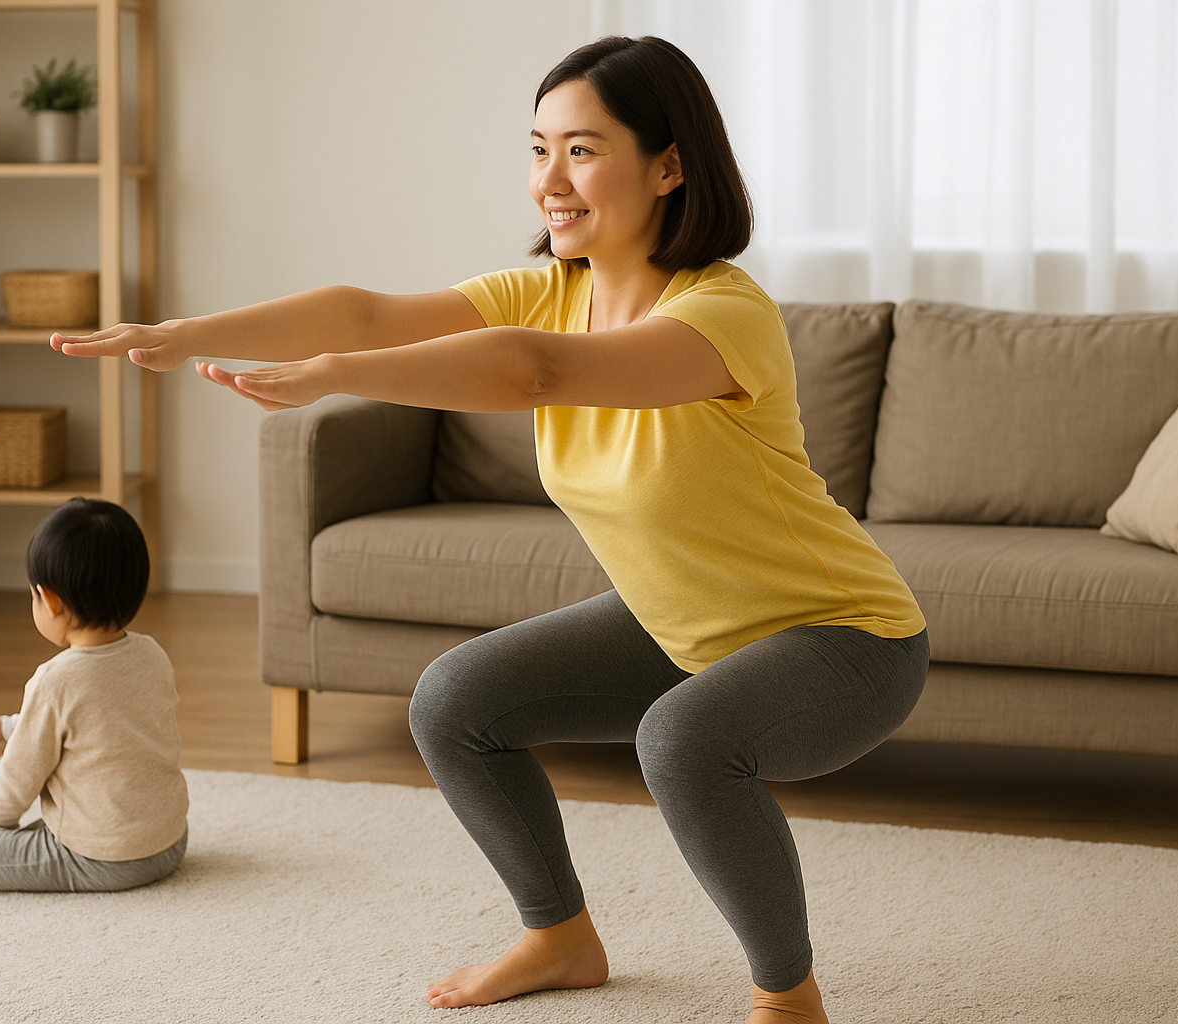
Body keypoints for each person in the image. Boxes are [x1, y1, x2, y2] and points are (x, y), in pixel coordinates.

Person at [53, 35, 927, 1024]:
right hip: (685, 625)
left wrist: (332, 373)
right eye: (539, 148)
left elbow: (534, 372)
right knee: (456, 700)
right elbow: (369, 311)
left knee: (681, 742)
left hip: (843, 638)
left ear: (670, 164)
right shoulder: (556, 289)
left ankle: (788, 1000)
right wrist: (186, 333)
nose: (549, 180)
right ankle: (558, 935)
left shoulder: (725, 313)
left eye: (583, 150)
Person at [0, 497, 189, 893]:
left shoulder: (55, 679)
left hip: (102, 859)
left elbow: (19, 775)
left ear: (51, 600)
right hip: (170, 842)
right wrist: (6, 726)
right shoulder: (152, 654)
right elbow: (104, 727)